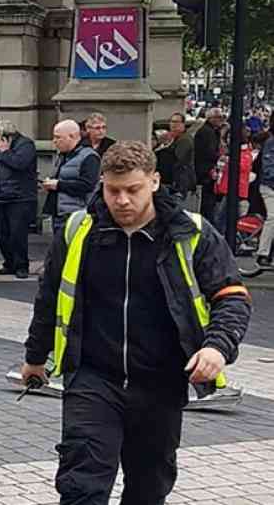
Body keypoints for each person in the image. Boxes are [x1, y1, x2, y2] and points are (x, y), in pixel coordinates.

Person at [20, 140, 250, 505]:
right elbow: (50, 297)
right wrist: (35, 357)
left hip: (161, 382)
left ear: (155, 182)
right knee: (82, 485)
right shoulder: (80, 229)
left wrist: (217, 346)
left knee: (148, 487)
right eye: (113, 190)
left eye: (133, 190)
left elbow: (232, 296)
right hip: (92, 377)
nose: (122, 200)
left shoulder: (190, 233)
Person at [0, 120, 37, 279]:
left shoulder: (25, 145)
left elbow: (20, 164)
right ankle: (9, 263)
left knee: (17, 234)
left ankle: (22, 265)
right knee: (3, 234)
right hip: (2, 196)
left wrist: (5, 152)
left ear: (5, 136)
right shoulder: (0, 150)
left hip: (20, 197)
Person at [42, 120, 101, 235]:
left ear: (72, 136)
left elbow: (87, 185)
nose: (54, 141)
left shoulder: (89, 157)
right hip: (59, 212)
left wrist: (58, 185)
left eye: (58, 137)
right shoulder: (64, 155)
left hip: (76, 214)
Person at [157, 112, 197, 199]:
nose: (174, 125)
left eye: (177, 122)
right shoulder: (173, 138)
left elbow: (178, 160)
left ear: (183, 124)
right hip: (174, 182)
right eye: (172, 122)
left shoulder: (185, 140)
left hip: (180, 183)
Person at [194, 108, 224, 216]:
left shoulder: (211, 131)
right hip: (206, 171)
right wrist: (221, 157)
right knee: (208, 202)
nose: (221, 120)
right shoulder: (207, 132)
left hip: (206, 170)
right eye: (219, 117)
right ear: (211, 118)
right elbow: (209, 152)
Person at [257, 132, 274, 265]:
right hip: (269, 186)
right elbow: (268, 169)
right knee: (273, 217)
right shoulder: (270, 143)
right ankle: (263, 252)